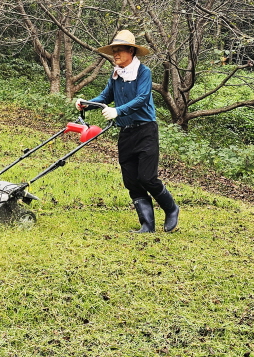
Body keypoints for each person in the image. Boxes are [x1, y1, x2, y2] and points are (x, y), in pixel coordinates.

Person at [76, 30, 179, 233]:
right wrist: (87, 103)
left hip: (146, 130)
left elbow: (142, 98)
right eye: (113, 50)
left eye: (119, 50)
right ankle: (147, 225)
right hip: (126, 132)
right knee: (131, 180)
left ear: (131, 51)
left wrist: (118, 110)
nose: (115, 54)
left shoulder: (143, 72)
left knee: (147, 178)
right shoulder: (116, 75)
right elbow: (105, 97)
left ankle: (171, 208)